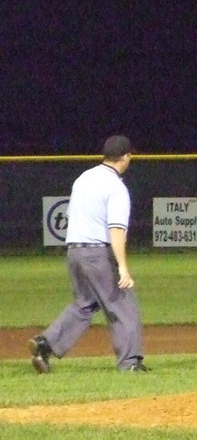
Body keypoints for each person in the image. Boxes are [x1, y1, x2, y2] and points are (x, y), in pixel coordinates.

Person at [29, 135, 150, 373]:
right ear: (126, 157)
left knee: (84, 305)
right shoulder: (116, 187)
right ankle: (131, 363)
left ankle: (45, 344)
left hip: (74, 251)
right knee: (123, 304)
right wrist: (123, 266)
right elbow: (116, 229)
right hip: (97, 253)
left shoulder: (84, 178)